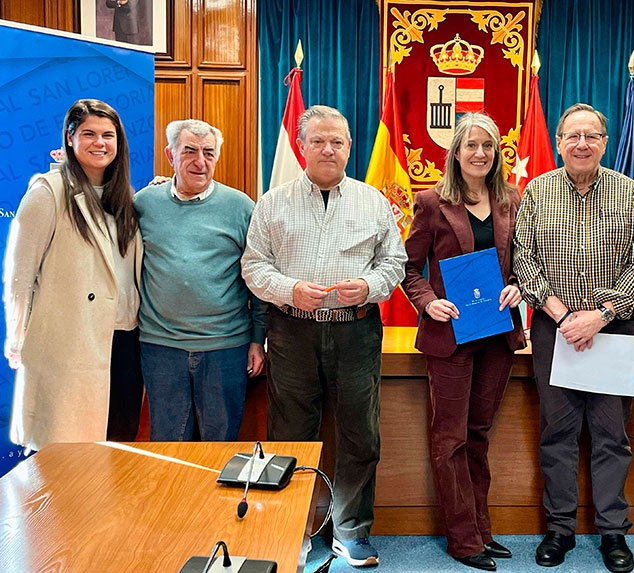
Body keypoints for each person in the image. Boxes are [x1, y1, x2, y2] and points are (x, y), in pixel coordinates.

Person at [241, 105, 406, 568]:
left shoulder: (374, 201)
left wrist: (370, 287)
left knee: (359, 434)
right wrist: (289, 289)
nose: (328, 149)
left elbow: (394, 263)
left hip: (356, 332)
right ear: (302, 146)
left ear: (350, 148)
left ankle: (350, 531)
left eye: (337, 141)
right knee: (290, 434)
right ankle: (289, 527)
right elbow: (253, 267)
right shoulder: (273, 202)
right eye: (318, 140)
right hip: (291, 331)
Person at [513, 103, 634, 573]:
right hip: (555, 332)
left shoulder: (629, 192)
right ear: (558, 142)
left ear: (605, 143)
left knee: (612, 436)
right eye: (573, 136)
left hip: (614, 331)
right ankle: (560, 529)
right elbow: (524, 261)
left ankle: (613, 531)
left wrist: (598, 315)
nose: (581, 144)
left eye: (591, 136)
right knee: (558, 434)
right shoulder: (536, 191)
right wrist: (560, 314)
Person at [401, 113, 525, 572]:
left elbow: (524, 260)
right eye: (471, 145)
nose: (479, 154)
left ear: (497, 153)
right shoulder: (432, 202)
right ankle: (463, 538)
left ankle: (483, 530)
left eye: (488, 146)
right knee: (450, 436)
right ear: (455, 151)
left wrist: (519, 287)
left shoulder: (511, 199)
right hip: (450, 334)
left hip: (496, 330)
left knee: (478, 434)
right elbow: (408, 266)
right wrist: (428, 302)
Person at [3, 98, 143, 451]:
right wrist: (18, 336)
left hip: (124, 342)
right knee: (69, 455)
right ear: (69, 138)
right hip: (72, 342)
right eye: (89, 134)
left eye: (108, 135)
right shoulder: (48, 192)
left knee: (117, 447)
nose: (100, 143)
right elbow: (20, 276)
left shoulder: (124, 197)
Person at [135, 119, 266, 442]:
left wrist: (257, 339)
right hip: (161, 346)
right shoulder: (143, 204)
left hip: (226, 347)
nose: (200, 162)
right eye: (189, 151)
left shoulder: (240, 207)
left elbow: (258, 279)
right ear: (170, 155)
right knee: (168, 447)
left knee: (220, 447)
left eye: (209, 152)